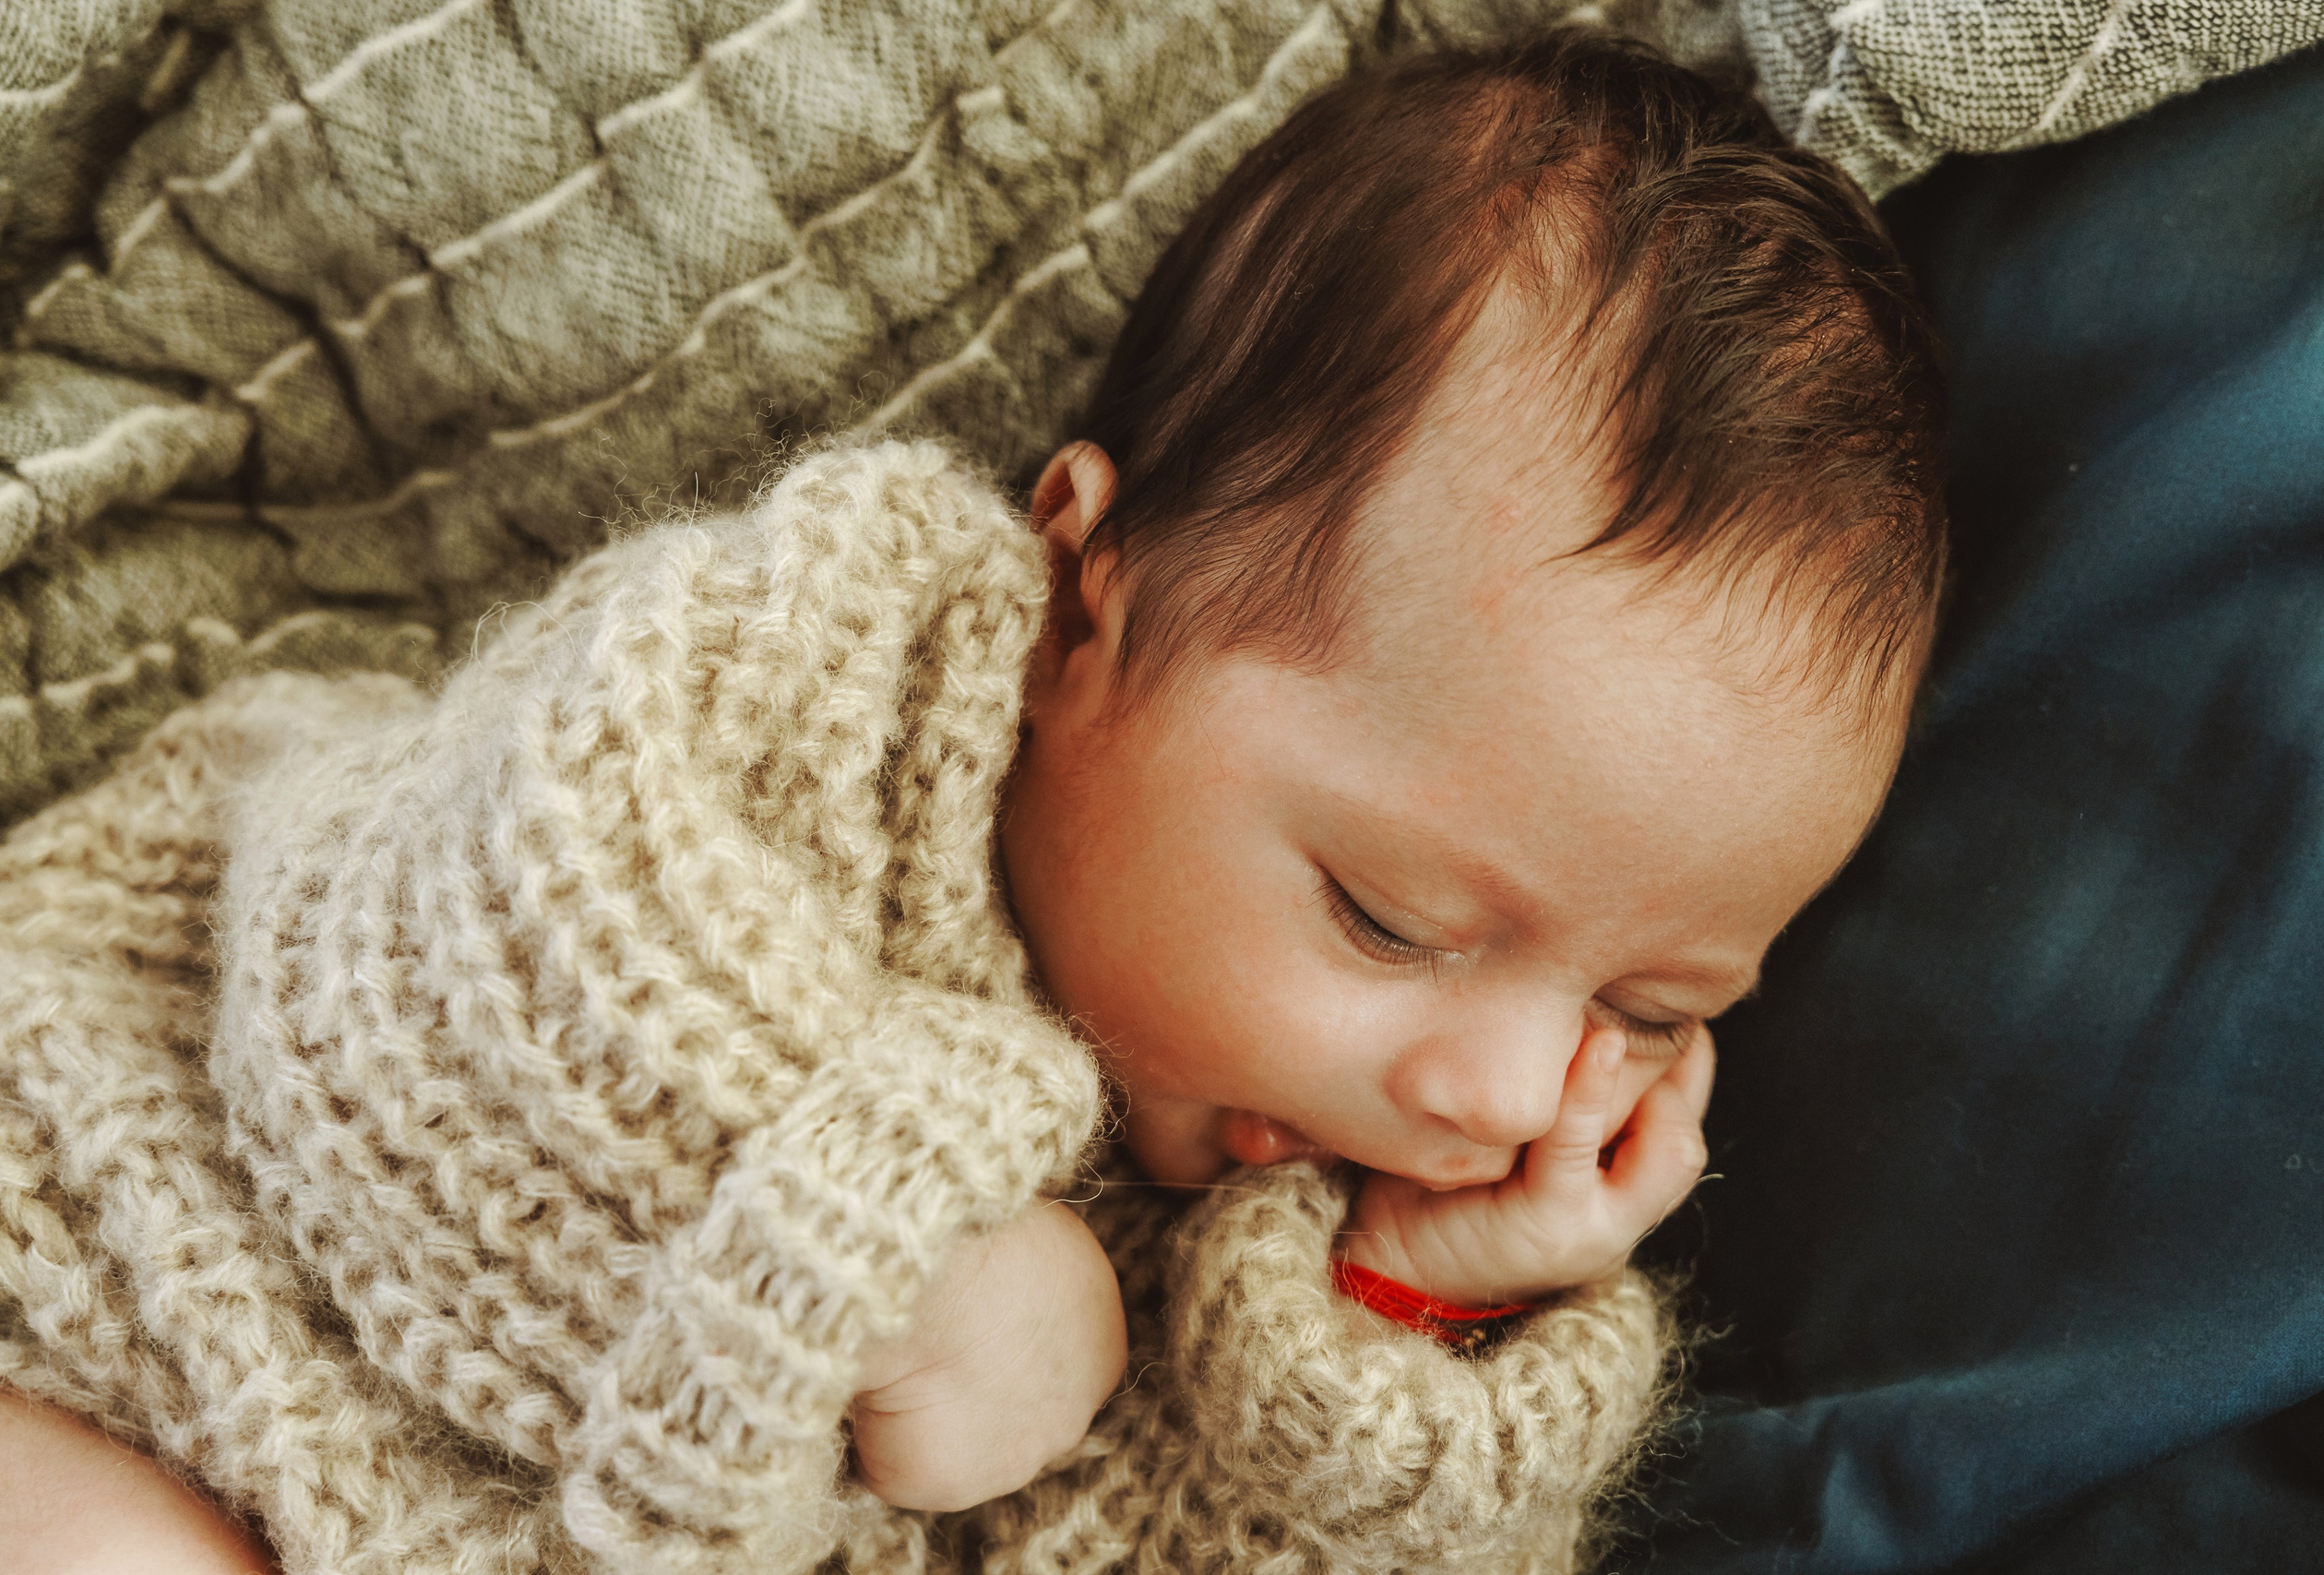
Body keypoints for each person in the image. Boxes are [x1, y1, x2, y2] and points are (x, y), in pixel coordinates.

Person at [0, 30, 1942, 1575]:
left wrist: (1396, 1320)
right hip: (140, 1277)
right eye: (1389, 917)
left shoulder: (1340, 1214)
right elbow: (418, 964)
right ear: (1087, 592)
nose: (1507, 1092)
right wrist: (905, 1251)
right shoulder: (820, 678)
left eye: (1651, 1008)